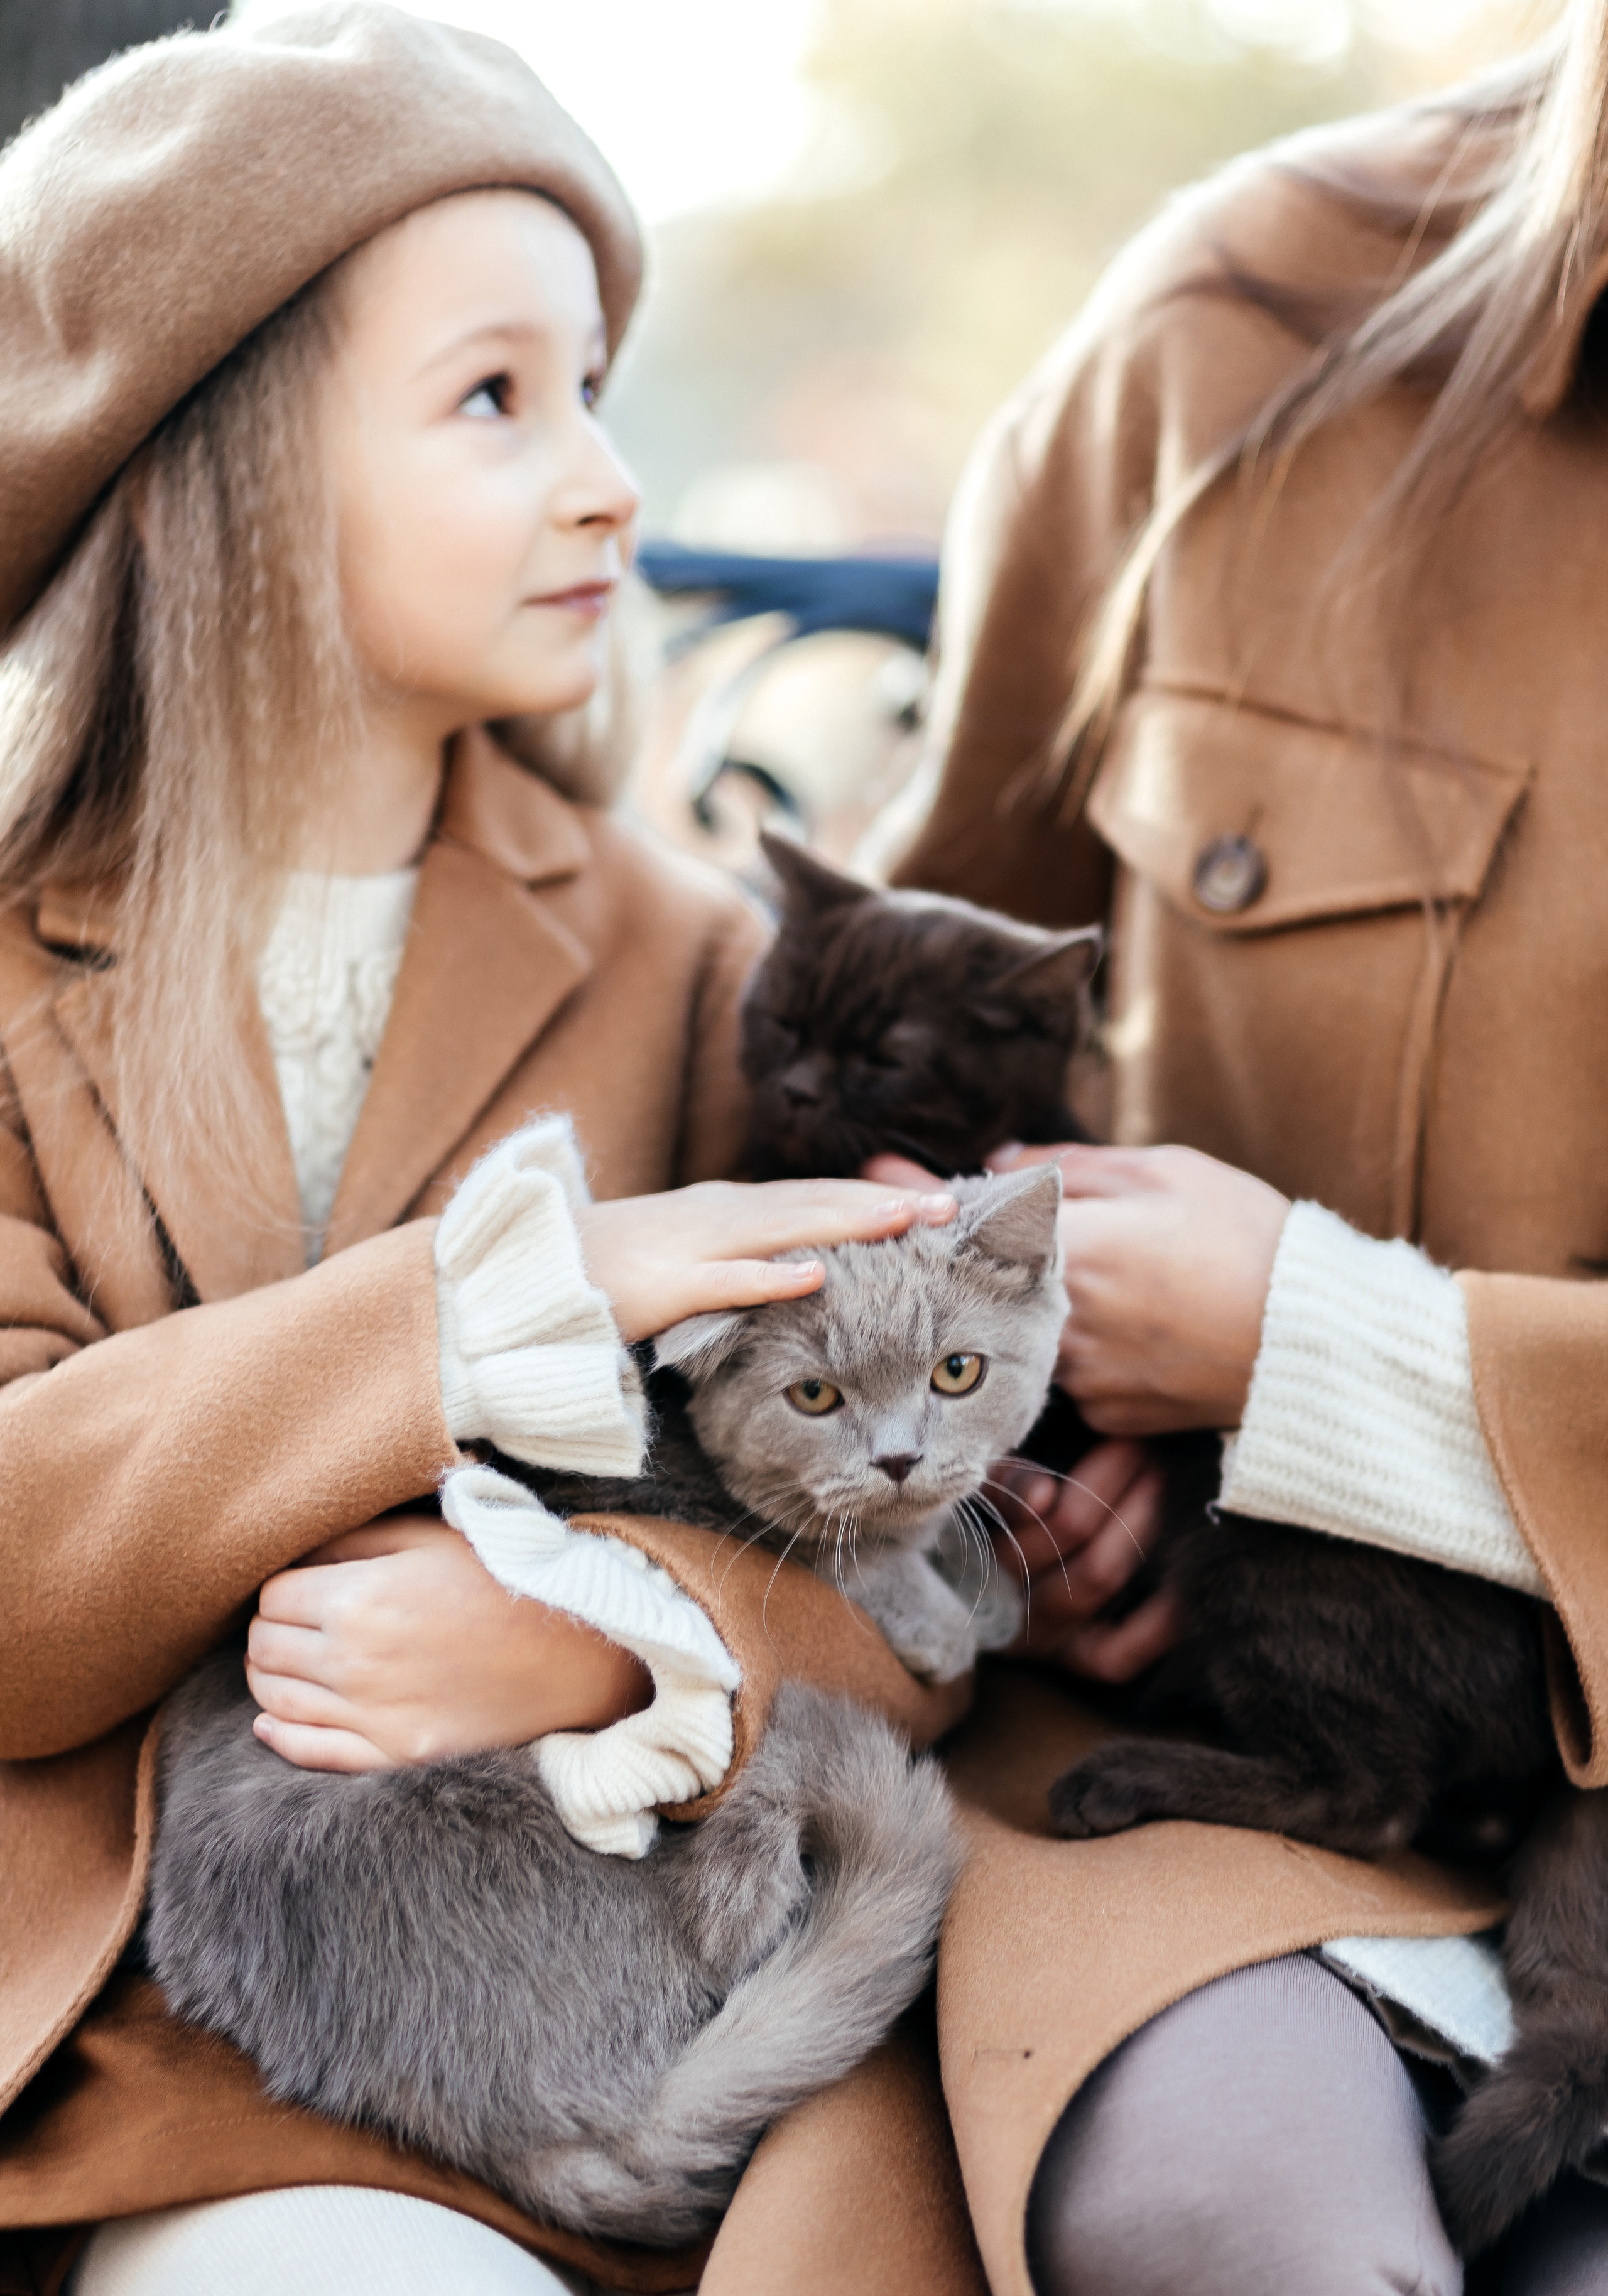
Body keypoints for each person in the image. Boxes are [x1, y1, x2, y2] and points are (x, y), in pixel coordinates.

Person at [0, 11, 969, 2292]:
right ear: (223, 466)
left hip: (578, 2020)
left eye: (599, 389)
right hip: (115, 2038)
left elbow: (921, 1597)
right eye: (494, 399)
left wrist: (610, 1638)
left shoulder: (690, 954)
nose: (611, 482)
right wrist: (492, 1306)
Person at [881, 1, 1608, 2289]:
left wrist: (1344, 1355)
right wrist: (1022, 1440)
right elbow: (926, 1028)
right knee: (1245, 2223)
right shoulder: (1243, 325)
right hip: (1205, 1782)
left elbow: (1327, 1342)